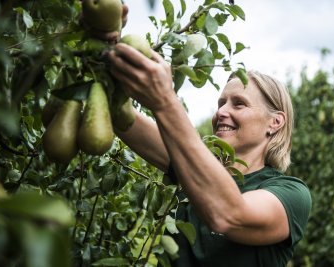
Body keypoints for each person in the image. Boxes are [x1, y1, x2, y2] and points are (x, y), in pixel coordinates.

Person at [93, 5, 312, 267]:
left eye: (238, 104)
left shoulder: (291, 194)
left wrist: (164, 100)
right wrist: (108, 42)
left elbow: (229, 214)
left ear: (275, 122)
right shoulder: (195, 165)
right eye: (221, 103)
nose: (221, 113)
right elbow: (121, 116)